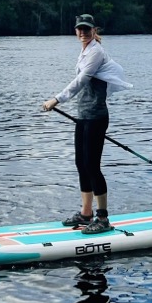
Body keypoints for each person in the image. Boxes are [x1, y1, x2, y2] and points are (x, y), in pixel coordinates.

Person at [41, 13, 132, 234]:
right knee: (81, 164)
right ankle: (85, 213)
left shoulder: (97, 52)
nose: (83, 32)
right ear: (75, 31)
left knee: (92, 166)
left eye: (87, 29)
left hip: (96, 117)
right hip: (83, 116)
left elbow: (81, 81)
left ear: (94, 30)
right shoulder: (84, 51)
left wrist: (57, 99)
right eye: (79, 29)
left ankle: (103, 219)